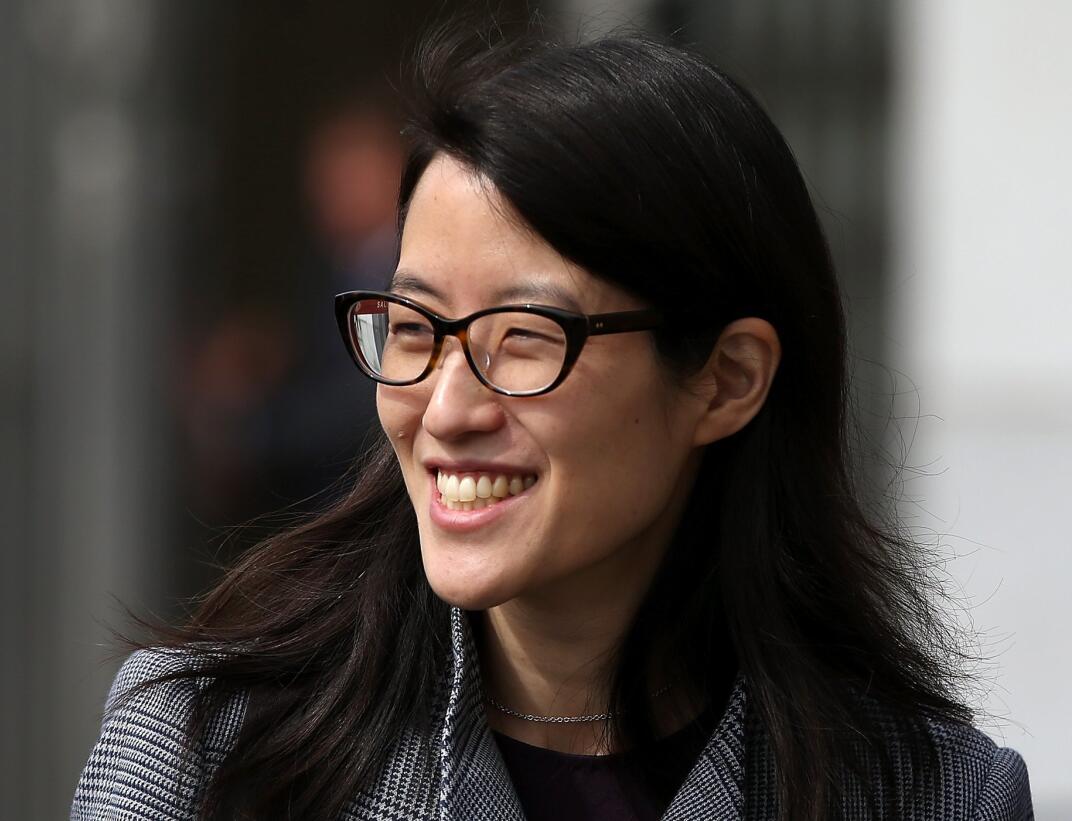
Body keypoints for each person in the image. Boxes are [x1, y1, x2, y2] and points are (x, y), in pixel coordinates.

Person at [71, 20, 1034, 821]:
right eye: (412, 327)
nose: (446, 408)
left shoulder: (930, 796)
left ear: (727, 380)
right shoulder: (210, 753)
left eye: (525, 337)